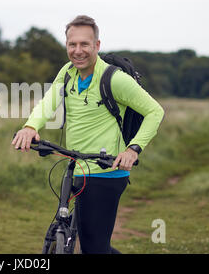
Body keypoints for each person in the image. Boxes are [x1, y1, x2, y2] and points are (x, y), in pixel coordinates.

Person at [11, 15, 164, 254]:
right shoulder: (68, 72)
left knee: (94, 249)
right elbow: (47, 103)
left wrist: (133, 149)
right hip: (78, 166)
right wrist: (31, 127)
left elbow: (155, 111)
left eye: (85, 44)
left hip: (107, 171)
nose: (78, 50)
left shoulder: (114, 79)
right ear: (67, 46)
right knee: (85, 237)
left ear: (97, 46)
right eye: (72, 44)